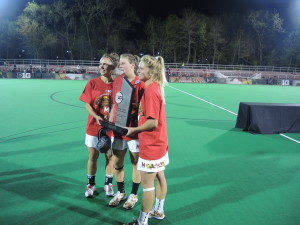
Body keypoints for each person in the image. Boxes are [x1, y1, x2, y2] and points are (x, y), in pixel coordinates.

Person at [123, 55, 169, 225]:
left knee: (147, 185)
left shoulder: (150, 91)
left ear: (152, 71)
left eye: (141, 68)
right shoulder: (153, 86)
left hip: (151, 145)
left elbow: (152, 122)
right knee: (159, 177)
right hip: (160, 143)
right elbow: (132, 80)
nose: (138, 70)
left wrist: (134, 129)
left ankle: (142, 222)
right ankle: (159, 210)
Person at [79, 53, 119, 198]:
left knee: (110, 156)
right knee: (93, 156)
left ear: (113, 67)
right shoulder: (92, 83)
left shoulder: (117, 84)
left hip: (111, 128)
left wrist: (112, 115)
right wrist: (96, 116)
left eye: (105, 64)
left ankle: (108, 184)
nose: (101, 66)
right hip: (93, 126)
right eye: (100, 63)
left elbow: (118, 104)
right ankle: (90, 185)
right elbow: (87, 105)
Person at [108, 54, 145, 209]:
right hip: (117, 129)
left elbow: (143, 110)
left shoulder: (140, 83)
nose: (120, 66)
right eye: (120, 63)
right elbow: (114, 105)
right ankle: (121, 192)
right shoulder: (117, 81)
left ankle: (133, 195)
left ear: (132, 64)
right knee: (117, 162)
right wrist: (108, 126)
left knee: (135, 162)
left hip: (133, 131)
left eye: (123, 63)